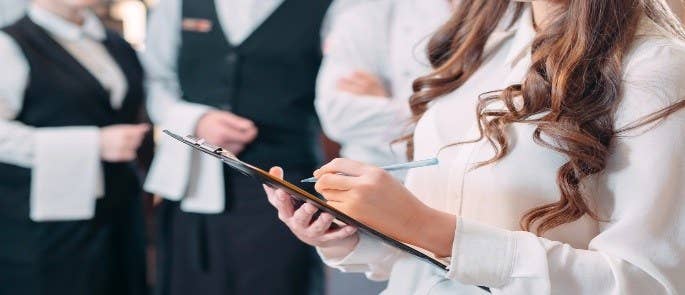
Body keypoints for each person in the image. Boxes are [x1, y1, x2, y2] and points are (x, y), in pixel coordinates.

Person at [265, 0, 685, 294]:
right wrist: (352, 236)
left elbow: (646, 282)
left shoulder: (657, 69)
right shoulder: (483, 48)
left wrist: (427, 226)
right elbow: (434, 247)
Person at [142, 0, 340, 294]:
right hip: (194, 184)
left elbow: (340, 95)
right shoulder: (175, 5)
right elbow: (156, 81)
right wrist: (196, 120)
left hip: (285, 187)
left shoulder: (335, 7)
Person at [0, 0, 148, 294]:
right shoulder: (9, 44)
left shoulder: (116, 43)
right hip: (47, 225)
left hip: (117, 214)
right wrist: (94, 144)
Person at [316, 0, 452, 171]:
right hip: (364, 179)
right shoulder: (362, 8)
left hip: (452, 182)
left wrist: (390, 106)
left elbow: (476, 126)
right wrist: (422, 117)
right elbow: (338, 113)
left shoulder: (486, 11)